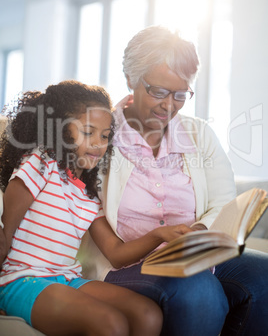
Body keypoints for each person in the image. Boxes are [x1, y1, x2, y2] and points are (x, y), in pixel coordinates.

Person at [81, 26, 268, 336]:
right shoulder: (101, 135)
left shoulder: (200, 134)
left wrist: (197, 233)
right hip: (126, 265)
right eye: (158, 91)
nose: (169, 105)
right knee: (196, 288)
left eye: (180, 95)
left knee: (262, 273)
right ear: (131, 79)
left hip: (197, 258)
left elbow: (222, 202)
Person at [0, 79, 173, 336]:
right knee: (110, 324)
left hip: (66, 278)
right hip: (21, 279)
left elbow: (116, 252)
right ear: (59, 129)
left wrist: (159, 235)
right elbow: (5, 233)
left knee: (148, 315)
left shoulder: (88, 196)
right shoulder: (39, 164)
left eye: (104, 136)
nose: (98, 144)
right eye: (88, 132)